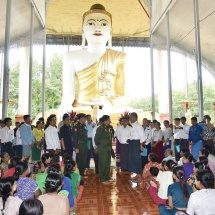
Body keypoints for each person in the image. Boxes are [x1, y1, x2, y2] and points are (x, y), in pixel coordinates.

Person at [60, 4, 128, 112]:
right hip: (82, 109)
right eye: (91, 23)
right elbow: (68, 96)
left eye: (104, 24)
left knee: (138, 115)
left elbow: (125, 96)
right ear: (82, 30)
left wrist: (108, 103)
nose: (97, 28)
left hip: (109, 109)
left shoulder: (120, 57)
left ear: (111, 31)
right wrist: (65, 108)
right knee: (62, 114)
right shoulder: (70, 56)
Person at [95, 115, 112, 184]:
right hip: (102, 149)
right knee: (102, 164)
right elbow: (96, 140)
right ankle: (102, 178)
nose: (110, 121)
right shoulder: (100, 129)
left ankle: (107, 176)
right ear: (105, 121)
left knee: (108, 163)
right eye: (108, 120)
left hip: (108, 149)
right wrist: (102, 144)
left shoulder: (108, 128)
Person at [127, 112, 145, 183]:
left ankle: (140, 177)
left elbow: (142, 136)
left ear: (134, 118)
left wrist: (141, 145)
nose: (130, 119)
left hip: (136, 144)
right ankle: (137, 175)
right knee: (133, 159)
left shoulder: (138, 126)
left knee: (137, 159)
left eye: (130, 117)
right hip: (132, 143)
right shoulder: (134, 125)